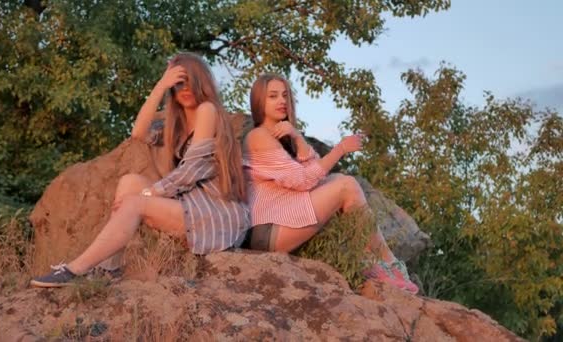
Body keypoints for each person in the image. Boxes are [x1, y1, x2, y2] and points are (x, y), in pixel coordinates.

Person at [31, 52, 249, 287]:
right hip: (192, 205)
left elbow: (192, 170)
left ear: (202, 82)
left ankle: (75, 270)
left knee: (135, 202)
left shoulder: (208, 110)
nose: (184, 88)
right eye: (178, 83)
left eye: (190, 81)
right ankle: (108, 269)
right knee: (129, 182)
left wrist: (150, 194)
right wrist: (159, 86)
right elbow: (138, 133)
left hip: (216, 214)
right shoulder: (177, 124)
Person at [243, 74, 419, 294]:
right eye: (273, 96)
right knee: (345, 186)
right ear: (259, 101)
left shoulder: (282, 135)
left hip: (280, 222)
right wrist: (341, 149)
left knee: (339, 181)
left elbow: (317, 176)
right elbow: (305, 180)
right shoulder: (258, 136)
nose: (282, 101)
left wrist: (297, 137)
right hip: (267, 231)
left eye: (285, 95)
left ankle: (375, 264)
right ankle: (388, 265)